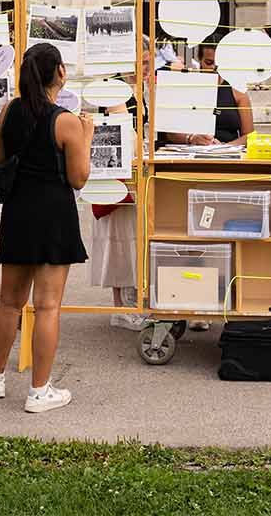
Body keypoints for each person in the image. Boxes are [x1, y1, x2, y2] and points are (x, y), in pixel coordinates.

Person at [0, 42, 93, 414]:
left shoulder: (8, 110)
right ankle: (39, 390)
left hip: (17, 212)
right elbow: (78, 178)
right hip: (54, 215)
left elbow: (0, 159)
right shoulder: (66, 121)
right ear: (59, 72)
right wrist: (86, 139)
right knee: (47, 306)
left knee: (9, 301)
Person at [92, 39, 153, 331]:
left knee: (133, 236)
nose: (144, 69)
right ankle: (120, 306)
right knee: (118, 236)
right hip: (116, 169)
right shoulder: (115, 89)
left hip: (134, 166)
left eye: (147, 63)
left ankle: (133, 300)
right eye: (140, 63)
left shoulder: (140, 91)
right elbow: (121, 127)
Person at [167, 42, 254, 146]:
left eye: (219, 64)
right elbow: (170, 132)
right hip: (190, 150)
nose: (214, 68)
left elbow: (249, 136)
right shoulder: (186, 87)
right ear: (200, 60)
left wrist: (224, 147)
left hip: (227, 151)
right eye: (209, 63)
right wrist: (191, 138)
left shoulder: (237, 91)